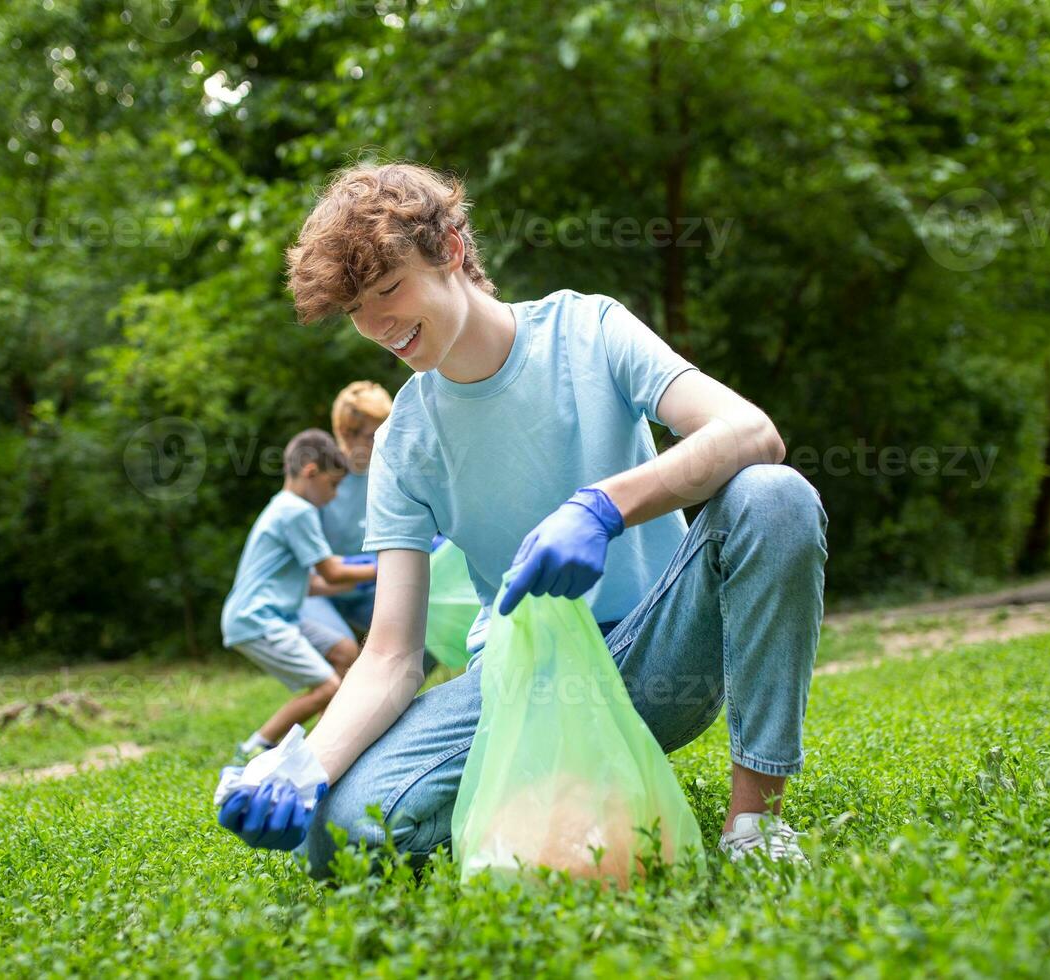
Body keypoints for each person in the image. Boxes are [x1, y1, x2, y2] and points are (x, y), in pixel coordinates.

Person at [217, 162, 828, 872]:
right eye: (357, 313)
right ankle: (561, 791)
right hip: (521, 687)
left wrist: (603, 508)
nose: (378, 327)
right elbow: (390, 655)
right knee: (346, 833)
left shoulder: (588, 330)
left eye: (389, 290)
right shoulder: (403, 442)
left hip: (661, 656)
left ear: (449, 248)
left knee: (773, 495)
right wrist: (309, 766)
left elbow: (751, 431)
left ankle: (754, 821)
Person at [221, 429, 378, 758]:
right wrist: (386, 566)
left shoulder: (282, 506)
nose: (335, 496)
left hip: (275, 614)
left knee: (345, 650)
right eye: (332, 485)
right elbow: (331, 571)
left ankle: (328, 741)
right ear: (310, 471)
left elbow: (313, 584)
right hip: (258, 619)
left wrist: (360, 574)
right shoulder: (298, 511)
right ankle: (254, 748)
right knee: (326, 687)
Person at [298, 381, 393, 645]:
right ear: (345, 433)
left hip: (370, 593)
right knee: (343, 652)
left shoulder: (392, 474)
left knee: (422, 634)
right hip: (319, 594)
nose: (385, 439)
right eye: (372, 435)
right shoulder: (320, 480)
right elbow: (306, 573)